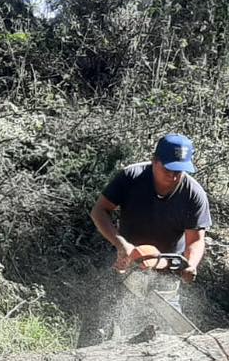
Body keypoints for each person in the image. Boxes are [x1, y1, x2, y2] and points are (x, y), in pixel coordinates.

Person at [81, 133, 212, 345]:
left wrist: (191, 265)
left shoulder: (193, 194)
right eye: (168, 169)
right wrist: (121, 244)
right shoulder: (131, 177)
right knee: (98, 327)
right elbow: (99, 211)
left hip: (166, 272)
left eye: (179, 171)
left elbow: (196, 240)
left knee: (172, 337)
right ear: (154, 161)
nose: (174, 176)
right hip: (127, 264)